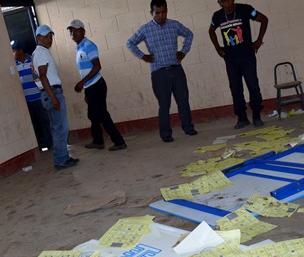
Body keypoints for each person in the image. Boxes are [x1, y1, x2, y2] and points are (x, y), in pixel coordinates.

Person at [126, 0, 197, 143]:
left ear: (167, 11)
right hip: (159, 73)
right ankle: (166, 134)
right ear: (151, 12)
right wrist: (143, 56)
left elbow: (189, 34)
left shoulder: (174, 25)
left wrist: (183, 52)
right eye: (157, 12)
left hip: (176, 69)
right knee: (164, 104)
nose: (161, 15)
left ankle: (188, 128)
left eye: (163, 12)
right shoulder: (145, 29)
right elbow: (130, 43)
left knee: (183, 100)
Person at [68, 20, 127, 152]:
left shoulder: (89, 45)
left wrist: (82, 83)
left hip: (97, 85)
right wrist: (86, 90)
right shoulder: (79, 47)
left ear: (83, 31)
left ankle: (119, 142)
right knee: (93, 115)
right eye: (71, 31)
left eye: (76, 30)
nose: (73, 33)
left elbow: (97, 66)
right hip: (90, 87)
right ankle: (98, 141)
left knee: (102, 115)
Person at [209, 0, 268, 129]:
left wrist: (258, 40)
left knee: (253, 85)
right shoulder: (217, 16)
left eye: (229, 0)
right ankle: (242, 117)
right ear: (219, 2)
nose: (228, 4)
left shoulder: (245, 9)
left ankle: (256, 115)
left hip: (247, 56)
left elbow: (264, 19)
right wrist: (217, 48)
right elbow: (211, 31)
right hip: (230, 58)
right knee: (235, 87)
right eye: (224, 1)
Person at [32, 25, 79, 170]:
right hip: (52, 92)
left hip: (50, 92)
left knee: (57, 128)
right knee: (61, 128)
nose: (49, 39)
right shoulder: (41, 53)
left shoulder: (41, 52)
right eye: (46, 37)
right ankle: (61, 160)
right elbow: (43, 76)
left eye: (50, 36)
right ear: (38, 38)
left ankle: (62, 158)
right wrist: (54, 98)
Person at [11, 40, 54, 152]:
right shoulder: (14, 66)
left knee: (45, 122)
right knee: (33, 124)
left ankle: (50, 144)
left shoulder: (33, 60)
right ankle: (39, 146)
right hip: (26, 101)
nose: (13, 54)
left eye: (14, 51)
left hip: (38, 97)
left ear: (20, 51)